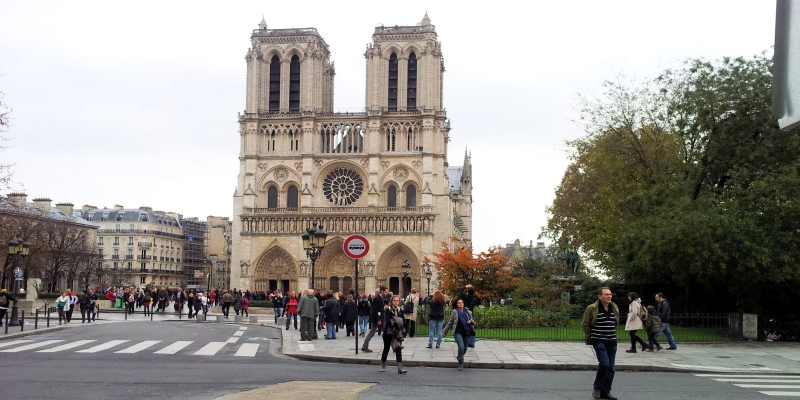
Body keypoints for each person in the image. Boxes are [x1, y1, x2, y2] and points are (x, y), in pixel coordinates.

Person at [582, 287, 619, 400]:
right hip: (598, 340)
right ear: (600, 296)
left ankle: (605, 392)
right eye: (606, 294)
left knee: (611, 368)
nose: (609, 296)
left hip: (612, 341)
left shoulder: (614, 307)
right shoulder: (592, 308)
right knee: (605, 364)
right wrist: (592, 336)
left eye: (610, 294)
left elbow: (615, 322)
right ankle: (597, 388)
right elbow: (585, 324)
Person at [443, 299, 474, 371]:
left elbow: (473, 320)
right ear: (457, 305)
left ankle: (459, 356)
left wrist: (470, 321)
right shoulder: (455, 312)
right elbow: (451, 322)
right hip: (457, 332)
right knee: (461, 347)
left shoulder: (468, 312)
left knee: (465, 349)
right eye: (459, 303)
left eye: (461, 302)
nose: (460, 304)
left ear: (463, 303)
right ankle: (461, 363)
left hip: (466, 332)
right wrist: (445, 331)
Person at [380, 295, 407, 374]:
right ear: (391, 301)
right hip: (388, 332)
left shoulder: (400, 310)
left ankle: (400, 368)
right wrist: (398, 321)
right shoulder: (387, 310)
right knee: (386, 349)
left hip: (397, 333)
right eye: (394, 300)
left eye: (397, 301)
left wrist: (396, 321)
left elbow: (404, 322)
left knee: (398, 349)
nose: (396, 302)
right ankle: (383, 365)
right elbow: (388, 321)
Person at [361, 286, 388, 353]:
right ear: (382, 291)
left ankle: (394, 347)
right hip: (378, 319)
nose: (387, 293)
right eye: (386, 292)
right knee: (373, 333)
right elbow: (375, 310)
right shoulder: (376, 298)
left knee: (387, 333)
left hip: (381, 318)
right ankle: (364, 346)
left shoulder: (381, 298)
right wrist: (378, 319)